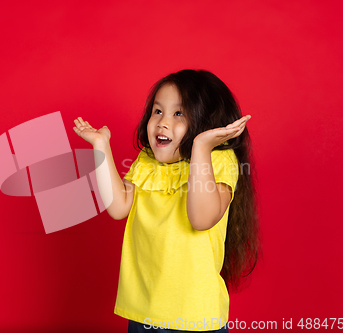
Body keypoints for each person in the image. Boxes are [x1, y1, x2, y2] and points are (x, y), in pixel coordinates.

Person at [73, 69, 261, 332]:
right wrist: (100, 145)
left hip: (192, 317)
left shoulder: (218, 161)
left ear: (207, 122)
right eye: (158, 111)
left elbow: (201, 218)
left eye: (179, 114)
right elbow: (118, 207)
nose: (162, 122)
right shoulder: (148, 160)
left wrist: (201, 147)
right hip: (142, 310)